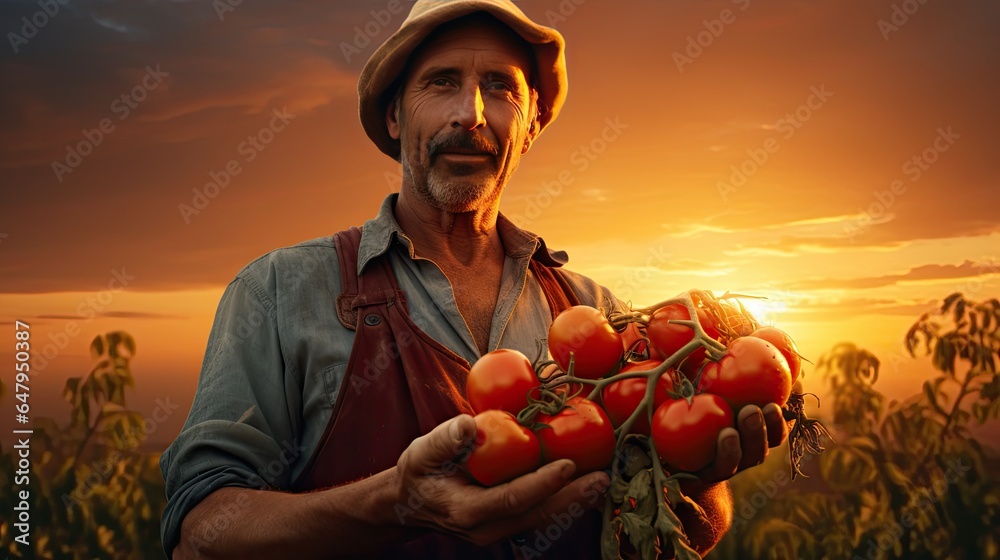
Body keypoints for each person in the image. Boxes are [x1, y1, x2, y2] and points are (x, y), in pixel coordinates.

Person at [160, 1, 787, 558]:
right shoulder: (279, 292)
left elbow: (680, 528)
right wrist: (394, 503)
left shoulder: (597, 313)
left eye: (500, 88)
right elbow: (201, 533)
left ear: (531, 125)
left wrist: (701, 476)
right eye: (441, 83)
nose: (472, 113)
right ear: (396, 119)